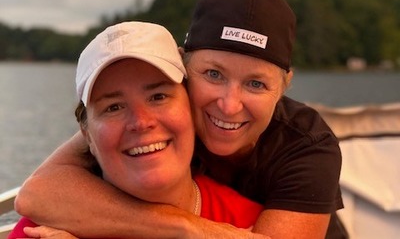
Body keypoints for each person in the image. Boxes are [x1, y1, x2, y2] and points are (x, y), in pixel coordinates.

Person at [15, 0, 346, 239]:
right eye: (213, 74)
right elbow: (36, 194)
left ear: (285, 85)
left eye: (256, 84)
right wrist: (189, 227)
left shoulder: (307, 148)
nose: (229, 106)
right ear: (183, 66)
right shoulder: (145, 121)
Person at [8, 21, 265, 239]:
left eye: (158, 96)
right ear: (87, 136)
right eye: (113, 107)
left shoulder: (246, 225)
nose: (141, 122)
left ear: (192, 106)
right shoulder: (42, 227)